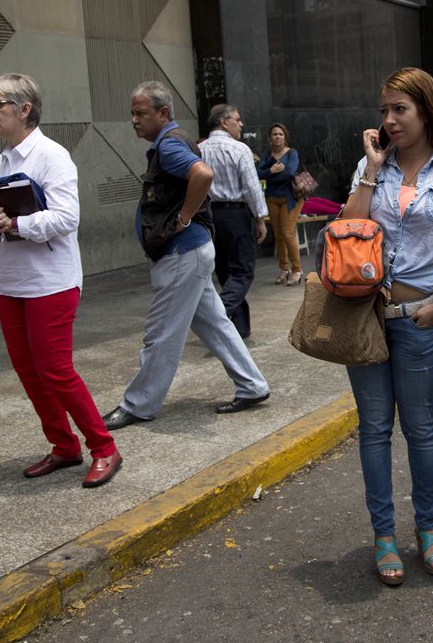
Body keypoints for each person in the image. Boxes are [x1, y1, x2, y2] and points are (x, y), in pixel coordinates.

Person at [342, 67, 433, 586]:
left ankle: (427, 527)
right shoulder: (373, 167)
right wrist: (370, 168)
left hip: (420, 318)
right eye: (384, 110)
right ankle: (384, 535)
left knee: (420, 429)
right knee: (373, 429)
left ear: (426, 112)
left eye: (400, 109)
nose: (389, 119)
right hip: (365, 318)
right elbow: (346, 230)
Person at [0, 73, 120, 488]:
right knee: (28, 372)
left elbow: (67, 218)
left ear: (24, 109)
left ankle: (104, 447)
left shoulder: (52, 156)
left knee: (55, 370)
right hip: (10, 282)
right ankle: (64, 446)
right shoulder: (2, 160)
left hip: (50, 282)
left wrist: (15, 223)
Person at [102, 81, 270, 427]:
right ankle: (252, 386)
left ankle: (138, 404)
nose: (134, 120)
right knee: (214, 323)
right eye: (132, 113)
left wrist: (182, 218)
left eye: (141, 113)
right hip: (189, 253)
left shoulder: (169, 145)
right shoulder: (171, 142)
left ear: (163, 113)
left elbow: (202, 174)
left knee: (161, 332)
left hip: (183, 254)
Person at [198, 104, 268, 338]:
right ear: (224, 122)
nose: (241, 124)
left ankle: (240, 327)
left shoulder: (199, 150)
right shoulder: (239, 149)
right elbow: (251, 187)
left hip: (210, 215)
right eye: (237, 120)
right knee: (243, 271)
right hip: (236, 214)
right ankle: (217, 314)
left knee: (226, 271)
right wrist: (260, 218)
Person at [257, 123, 303, 285]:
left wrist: (268, 175)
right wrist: (272, 171)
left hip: (291, 198)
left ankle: (297, 270)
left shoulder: (292, 153)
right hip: (272, 198)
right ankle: (284, 268)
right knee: (278, 235)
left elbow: (290, 172)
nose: (277, 136)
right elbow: (257, 174)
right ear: (270, 138)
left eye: (280, 134)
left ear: (285, 137)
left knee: (287, 233)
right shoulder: (266, 155)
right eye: (274, 134)